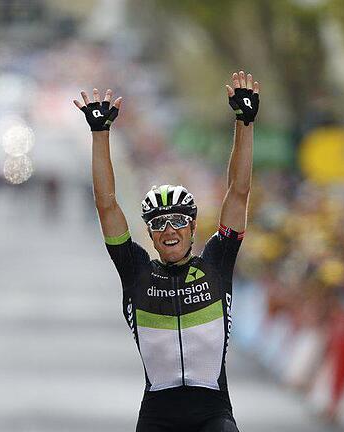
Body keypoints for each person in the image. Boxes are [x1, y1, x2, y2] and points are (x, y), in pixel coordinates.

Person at [74, 70, 259, 432]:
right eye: (158, 224)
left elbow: (238, 192)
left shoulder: (217, 263)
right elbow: (106, 204)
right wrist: (100, 135)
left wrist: (245, 122)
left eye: (177, 221)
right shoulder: (136, 270)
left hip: (213, 416)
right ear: (150, 234)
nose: (168, 230)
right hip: (158, 417)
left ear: (193, 227)